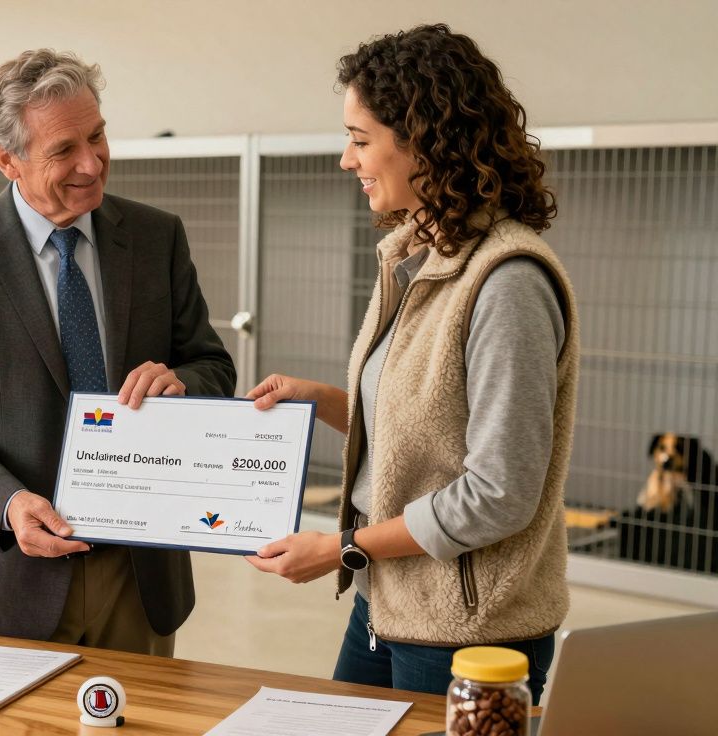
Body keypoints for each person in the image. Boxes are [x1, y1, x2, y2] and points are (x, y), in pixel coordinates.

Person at [243, 24, 578, 702]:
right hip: (387, 602)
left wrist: (343, 546)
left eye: (361, 140)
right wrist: (327, 401)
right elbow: (425, 430)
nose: (346, 160)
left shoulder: (507, 282)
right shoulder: (414, 259)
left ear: (425, 141)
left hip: (471, 633)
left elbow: (499, 494)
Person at [0, 49, 235, 655]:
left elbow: (213, 365)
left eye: (98, 135)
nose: (92, 162)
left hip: (139, 572)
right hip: (9, 574)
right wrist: (7, 503)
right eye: (63, 150)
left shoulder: (157, 237)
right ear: (8, 160)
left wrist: (181, 384)